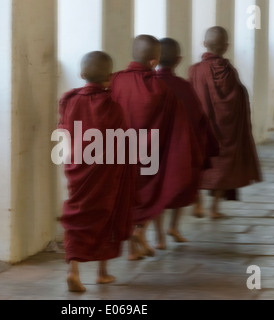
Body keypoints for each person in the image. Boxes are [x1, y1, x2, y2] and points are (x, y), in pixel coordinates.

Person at [110, 35, 197, 260]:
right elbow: (177, 126)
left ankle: (132, 249)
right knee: (149, 194)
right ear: (153, 61)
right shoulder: (160, 88)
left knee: (127, 198)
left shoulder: (115, 80)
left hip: (118, 154)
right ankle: (140, 234)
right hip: (150, 155)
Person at [57, 51, 137, 292]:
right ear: (110, 77)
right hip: (105, 174)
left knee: (78, 215)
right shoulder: (112, 107)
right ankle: (102, 273)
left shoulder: (69, 100)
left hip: (77, 168)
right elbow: (123, 142)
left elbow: (63, 130)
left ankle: (73, 270)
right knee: (106, 215)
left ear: (82, 74)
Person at [188, 26, 262, 219]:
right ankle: (214, 208)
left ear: (204, 44)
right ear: (226, 47)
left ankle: (198, 203)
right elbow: (238, 96)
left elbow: (190, 98)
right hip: (225, 130)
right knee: (223, 164)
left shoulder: (195, 70)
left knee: (197, 163)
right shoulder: (229, 71)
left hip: (202, 129)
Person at [154, 37, 219, 249]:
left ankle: (159, 236)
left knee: (155, 191)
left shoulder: (149, 85)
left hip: (153, 149)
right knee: (178, 186)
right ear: (179, 60)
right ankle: (173, 227)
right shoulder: (183, 87)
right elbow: (198, 117)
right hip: (178, 149)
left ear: (153, 60)